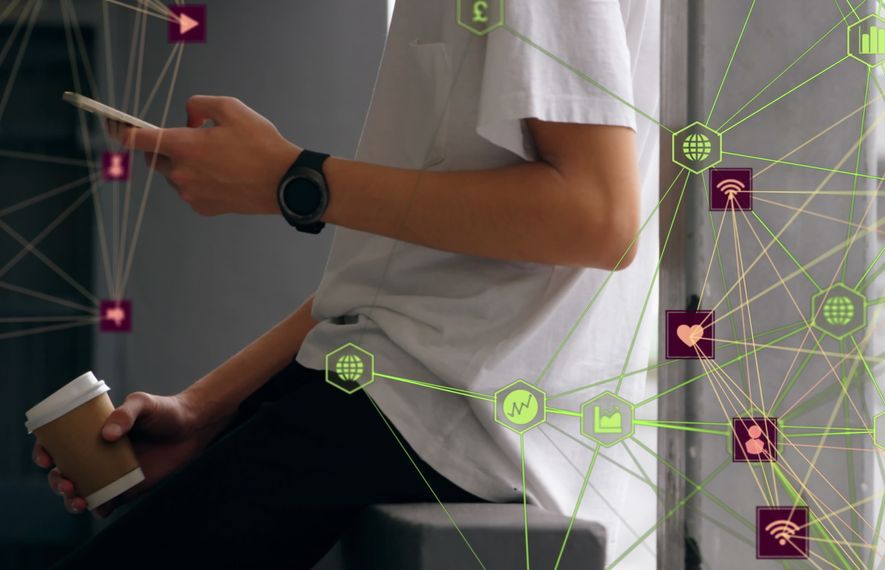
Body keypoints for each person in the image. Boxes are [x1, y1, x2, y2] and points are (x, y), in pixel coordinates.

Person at [33, 0, 659, 567]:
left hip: (451, 418)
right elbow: (403, 271)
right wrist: (204, 412)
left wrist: (292, 180)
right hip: (399, 399)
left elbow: (597, 218)